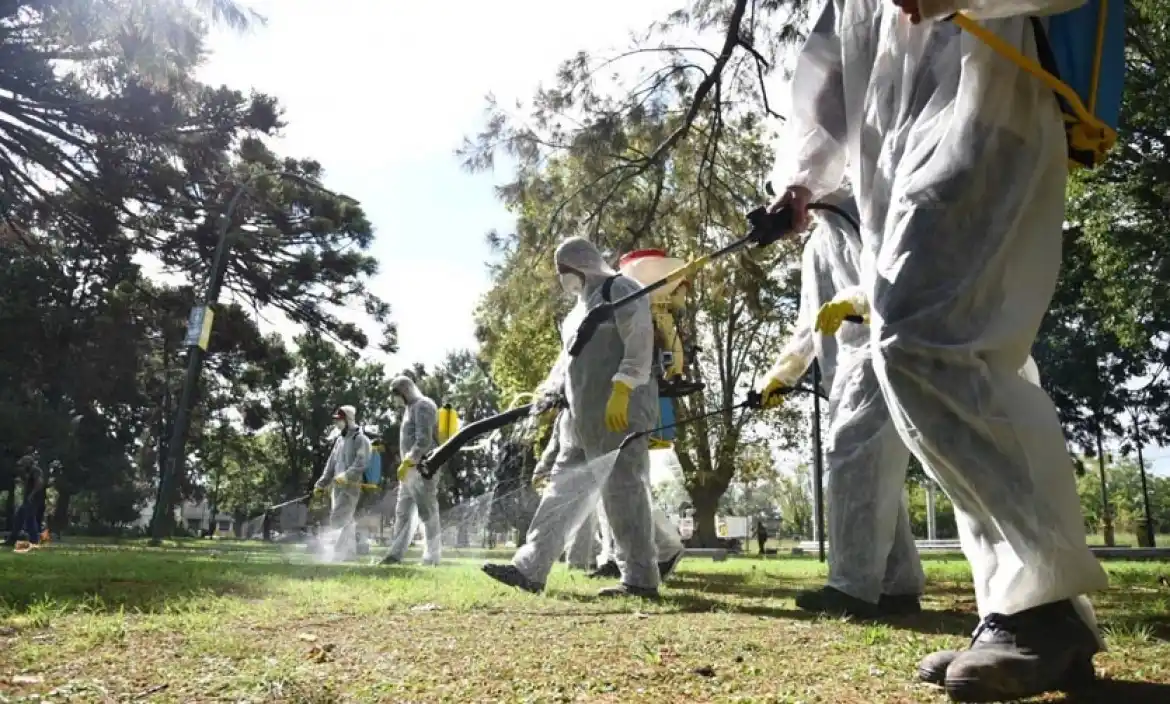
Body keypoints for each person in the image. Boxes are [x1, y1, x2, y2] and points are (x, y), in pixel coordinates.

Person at [768, 2, 1108, 700]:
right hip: (891, 148)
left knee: (924, 340)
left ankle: (1039, 606)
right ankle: (1024, 612)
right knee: (959, 356)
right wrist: (801, 177)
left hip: (992, 95)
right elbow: (832, 67)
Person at [758, 191, 926, 618]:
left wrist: (856, 300)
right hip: (845, 369)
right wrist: (782, 374)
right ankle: (898, 584)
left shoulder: (863, 208)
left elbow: (904, 267)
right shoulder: (818, 243)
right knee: (875, 473)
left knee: (853, 458)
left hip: (881, 350)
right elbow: (808, 322)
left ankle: (852, 588)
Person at [483, 236, 660, 598]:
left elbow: (640, 340)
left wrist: (623, 388)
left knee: (623, 495)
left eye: (565, 270)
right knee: (560, 492)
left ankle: (641, 580)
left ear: (582, 264)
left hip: (619, 412)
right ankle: (529, 568)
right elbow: (566, 364)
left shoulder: (622, 288)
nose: (563, 277)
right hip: (580, 419)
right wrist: (546, 394)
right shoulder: (575, 313)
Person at [380, 376, 442, 566]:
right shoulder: (409, 409)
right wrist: (406, 465)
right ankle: (395, 555)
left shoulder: (424, 406)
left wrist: (409, 460)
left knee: (427, 512)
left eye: (398, 394)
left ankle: (432, 557)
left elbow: (424, 440)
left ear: (406, 390)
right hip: (408, 472)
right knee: (403, 512)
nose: (396, 399)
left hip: (424, 468)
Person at [313, 406, 370, 561]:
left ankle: (337, 554)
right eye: (336, 420)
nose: (337, 423)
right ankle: (349, 554)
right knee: (345, 520)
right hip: (337, 488)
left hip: (351, 487)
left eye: (340, 420)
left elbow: (361, 463)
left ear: (348, 420)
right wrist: (320, 484)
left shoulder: (360, 439)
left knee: (339, 518)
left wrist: (346, 476)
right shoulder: (339, 440)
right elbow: (331, 465)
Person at [4, 451, 44, 547]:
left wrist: (32, 495)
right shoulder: (29, 472)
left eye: (23, 463)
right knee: (19, 518)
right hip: (28, 499)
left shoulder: (35, 470)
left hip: (32, 500)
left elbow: (39, 483)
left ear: (28, 463)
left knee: (30, 519)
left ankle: (34, 541)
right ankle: (12, 540)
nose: (22, 466)